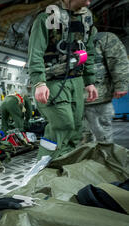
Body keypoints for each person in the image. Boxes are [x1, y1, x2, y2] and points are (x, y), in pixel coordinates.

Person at [28, 0, 98, 160]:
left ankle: (65, 167)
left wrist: (89, 81)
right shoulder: (46, 18)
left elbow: (89, 52)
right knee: (62, 125)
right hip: (53, 81)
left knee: (76, 129)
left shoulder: (86, 20)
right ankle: (44, 169)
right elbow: (35, 52)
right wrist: (39, 82)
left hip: (77, 81)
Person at [83, 32, 129, 143]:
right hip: (71, 100)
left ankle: (103, 159)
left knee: (102, 136)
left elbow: (118, 60)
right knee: (79, 137)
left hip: (98, 97)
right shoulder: (64, 39)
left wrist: (121, 85)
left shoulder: (104, 38)